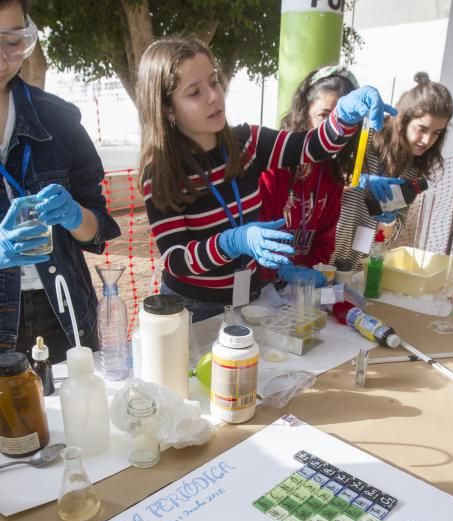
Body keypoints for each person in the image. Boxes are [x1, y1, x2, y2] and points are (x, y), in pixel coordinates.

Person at [137, 35, 394, 322]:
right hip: (191, 307)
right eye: (194, 92)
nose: (213, 96)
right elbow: (175, 258)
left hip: (247, 297)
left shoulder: (249, 143)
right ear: (167, 108)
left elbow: (313, 146)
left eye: (214, 82)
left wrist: (344, 116)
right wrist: (230, 242)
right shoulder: (161, 172)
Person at [0, 0, 120, 364]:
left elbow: (97, 226)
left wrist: (74, 216)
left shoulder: (59, 120)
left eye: (13, 41)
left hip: (65, 313)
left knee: (79, 413)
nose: (3, 59)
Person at [331, 72, 453, 270]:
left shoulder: (413, 170)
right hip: (322, 254)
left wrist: (389, 221)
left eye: (436, 133)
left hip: (355, 267)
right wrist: (359, 180)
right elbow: (325, 175)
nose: (427, 141)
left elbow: (391, 234)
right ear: (404, 119)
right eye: (422, 129)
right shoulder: (368, 133)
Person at [259, 65, 360, 287]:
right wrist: (279, 270)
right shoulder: (274, 165)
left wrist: (307, 273)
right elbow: (257, 232)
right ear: (303, 113)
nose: (336, 129)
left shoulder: (332, 175)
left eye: (345, 119)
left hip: (298, 290)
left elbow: (325, 240)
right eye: (324, 116)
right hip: (259, 289)